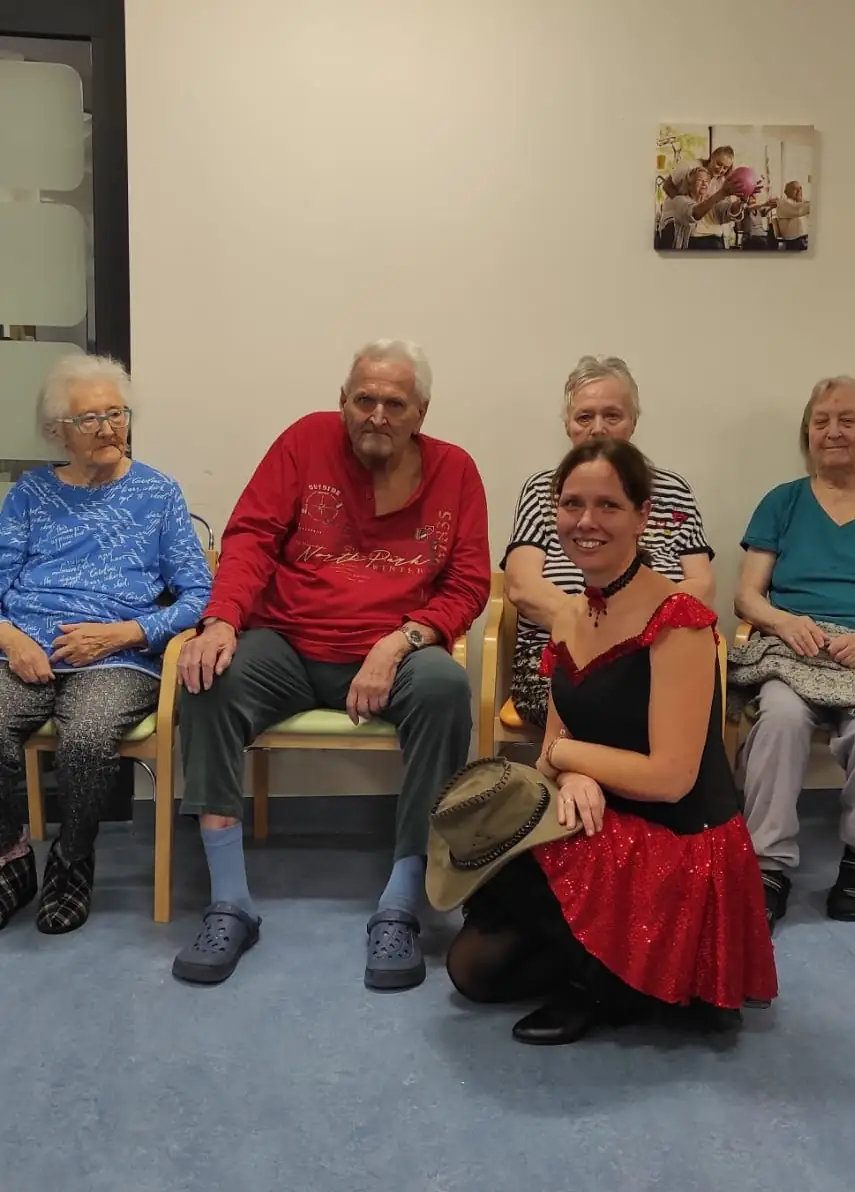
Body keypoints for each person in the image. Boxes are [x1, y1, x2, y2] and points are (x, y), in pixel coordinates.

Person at [172, 338, 490, 989]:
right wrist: (222, 618)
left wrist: (399, 642)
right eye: (364, 399)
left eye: (394, 403)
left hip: (394, 653)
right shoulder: (304, 442)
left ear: (421, 412)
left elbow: (468, 583)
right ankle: (229, 902)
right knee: (206, 677)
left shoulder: (456, 470)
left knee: (444, 688)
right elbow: (252, 537)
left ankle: (401, 903)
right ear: (343, 401)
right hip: (288, 644)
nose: (377, 414)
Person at [442, 437, 777, 1044]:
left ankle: (608, 980)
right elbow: (554, 743)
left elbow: (671, 777)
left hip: (678, 841)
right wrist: (573, 774)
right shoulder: (570, 615)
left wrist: (567, 759)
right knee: (474, 968)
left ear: (642, 515)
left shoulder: (679, 619)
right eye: (572, 504)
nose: (586, 521)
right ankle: (607, 963)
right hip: (600, 813)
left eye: (608, 505)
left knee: (506, 898)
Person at [0, 353, 211, 934]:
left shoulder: (157, 493)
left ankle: (71, 863)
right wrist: (11, 638)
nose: (108, 428)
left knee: (88, 735)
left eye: (116, 414)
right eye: (89, 419)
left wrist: (129, 632)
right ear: (57, 432)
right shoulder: (30, 494)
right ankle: (10, 858)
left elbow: (199, 594)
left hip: (117, 655)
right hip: (26, 648)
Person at [731, 376, 855, 930]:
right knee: (780, 719)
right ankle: (768, 863)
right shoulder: (782, 501)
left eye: (847, 420)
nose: (833, 431)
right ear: (808, 434)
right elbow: (747, 596)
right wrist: (784, 621)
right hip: (796, 648)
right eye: (821, 421)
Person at [504, 355, 714, 727]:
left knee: (669, 701)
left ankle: (574, 762)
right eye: (584, 417)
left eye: (612, 416)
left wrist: (637, 639)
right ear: (568, 426)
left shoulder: (673, 491)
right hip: (557, 650)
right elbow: (522, 586)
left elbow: (701, 587)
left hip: (656, 650)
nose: (598, 429)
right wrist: (595, 633)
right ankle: (573, 763)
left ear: (633, 422)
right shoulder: (543, 490)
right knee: (610, 705)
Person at [655, 165, 743, 251]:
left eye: (706, 181)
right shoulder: (680, 201)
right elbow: (694, 213)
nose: (704, 183)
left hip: (715, 244)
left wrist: (741, 202)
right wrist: (721, 193)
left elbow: (728, 211)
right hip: (693, 246)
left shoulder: (712, 201)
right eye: (699, 180)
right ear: (690, 185)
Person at [661, 144, 734, 198]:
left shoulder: (720, 181)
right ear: (712, 157)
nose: (720, 170)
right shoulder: (689, 166)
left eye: (725, 168)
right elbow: (667, 185)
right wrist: (682, 204)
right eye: (718, 164)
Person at [769, 181, 809, 251]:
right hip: (794, 242)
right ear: (786, 192)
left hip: (804, 239)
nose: (799, 191)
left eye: (800, 188)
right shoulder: (783, 203)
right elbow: (799, 210)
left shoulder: (801, 203)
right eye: (794, 189)